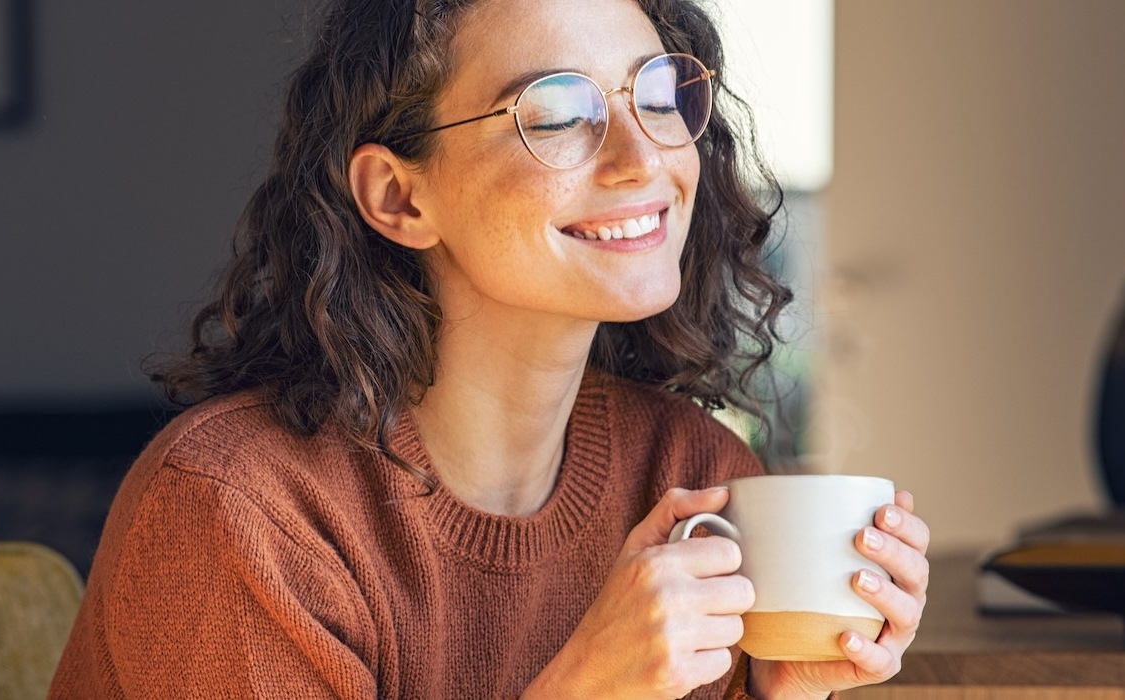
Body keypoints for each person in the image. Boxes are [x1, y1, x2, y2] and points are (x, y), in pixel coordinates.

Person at [49, 0, 931, 697]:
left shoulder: (691, 471)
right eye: (554, 114)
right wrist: (587, 690)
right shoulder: (244, 514)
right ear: (398, 198)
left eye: (658, 95)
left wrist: (787, 693)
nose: (643, 157)